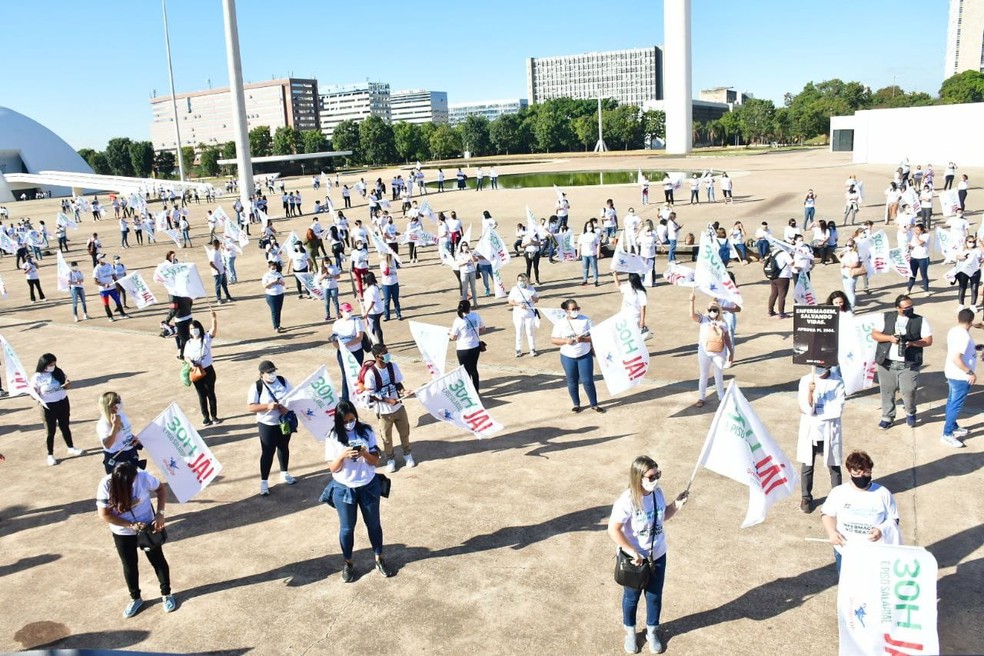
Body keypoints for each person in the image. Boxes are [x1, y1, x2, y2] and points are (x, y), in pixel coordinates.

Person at [607, 455, 688, 655]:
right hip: (634, 559)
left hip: (658, 555)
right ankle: (630, 632)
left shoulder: (657, 494)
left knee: (654, 596)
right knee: (631, 597)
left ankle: (652, 631)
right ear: (638, 477)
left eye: (658, 475)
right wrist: (632, 551)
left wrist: (676, 505)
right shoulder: (627, 500)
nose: (656, 480)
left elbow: (662, 517)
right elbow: (613, 529)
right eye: (651, 477)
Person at [320, 400, 395, 582]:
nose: (349, 423)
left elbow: (375, 461)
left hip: (368, 485)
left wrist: (363, 453)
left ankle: (379, 558)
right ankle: (348, 562)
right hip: (344, 489)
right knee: (347, 528)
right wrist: (343, 455)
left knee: (374, 525)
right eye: (345, 421)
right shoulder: (332, 437)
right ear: (338, 421)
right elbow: (333, 468)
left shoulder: (366, 431)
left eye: (351, 419)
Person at [97, 462, 175, 618]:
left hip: (147, 527)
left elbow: (161, 489)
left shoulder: (143, 477)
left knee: (157, 560)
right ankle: (136, 598)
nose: (131, 485)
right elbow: (104, 514)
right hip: (122, 532)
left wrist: (160, 513)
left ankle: (166, 594)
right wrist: (130, 525)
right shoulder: (106, 484)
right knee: (129, 565)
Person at [820, 450, 901, 573]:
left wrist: (881, 530)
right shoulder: (839, 493)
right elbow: (827, 514)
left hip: (874, 552)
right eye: (857, 473)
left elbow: (893, 518)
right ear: (849, 471)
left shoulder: (883, 493)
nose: (862, 476)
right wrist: (832, 532)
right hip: (845, 550)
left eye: (866, 472)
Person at [871, 295, 933, 429]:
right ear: (898, 308)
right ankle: (887, 416)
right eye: (906, 308)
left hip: (909, 363)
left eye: (911, 306)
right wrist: (889, 338)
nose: (910, 309)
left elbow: (928, 340)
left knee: (909, 390)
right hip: (887, 362)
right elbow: (875, 334)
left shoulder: (920, 320)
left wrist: (913, 343)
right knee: (887, 391)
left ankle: (910, 412)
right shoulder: (885, 317)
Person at [796, 366, 845, 513]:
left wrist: (817, 412)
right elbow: (804, 408)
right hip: (811, 429)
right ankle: (806, 497)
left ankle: (837, 498)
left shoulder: (838, 382)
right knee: (807, 464)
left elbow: (837, 409)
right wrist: (810, 393)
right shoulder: (806, 380)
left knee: (834, 465)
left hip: (829, 429)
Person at [246, 361, 296, 496]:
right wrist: (267, 406)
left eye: (273, 371)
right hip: (266, 424)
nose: (272, 374)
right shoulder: (256, 387)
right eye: (269, 372)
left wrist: (287, 408)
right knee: (268, 452)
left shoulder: (282, 381)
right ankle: (264, 482)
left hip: (283, 422)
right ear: (262, 374)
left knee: (284, 447)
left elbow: (293, 396)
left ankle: (284, 473)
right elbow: (251, 407)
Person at [362, 344, 414, 471]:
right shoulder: (371, 374)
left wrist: (403, 391)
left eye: (387, 352)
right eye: (384, 353)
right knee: (386, 437)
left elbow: (397, 384)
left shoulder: (393, 366)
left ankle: (407, 454)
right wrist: (387, 400)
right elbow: (371, 394)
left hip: (398, 408)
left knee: (404, 432)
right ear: (377, 356)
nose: (387, 355)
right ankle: (390, 458)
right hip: (384, 412)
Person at [550, 298, 604, 413]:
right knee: (572, 380)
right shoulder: (560, 323)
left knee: (587, 380)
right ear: (566, 311)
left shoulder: (585, 320)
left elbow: (596, 336)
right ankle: (576, 404)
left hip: (584, 355)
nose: (576, 311)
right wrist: (565, 341)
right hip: (567, 357)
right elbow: (553, 340)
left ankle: (594, 404)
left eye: (577, 308)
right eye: (573, 309)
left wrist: (583, 339)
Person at [32, 353, 82, 466]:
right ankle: (50, 454)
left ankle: (71, 447)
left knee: (65, 426)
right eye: (50, 364)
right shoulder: (37, 377)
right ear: (44, 365)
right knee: (51, 431)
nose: (53, 366)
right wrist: (33, 393)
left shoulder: (58, 372)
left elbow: (66, 384)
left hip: (62, 402)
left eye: (54, 363)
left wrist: (67, 385)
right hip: (48, 406)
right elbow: (33, 394)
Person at [689, 292, 734, 407]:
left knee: (719, 375)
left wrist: (731, 352)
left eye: (715, 310)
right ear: (707, 310)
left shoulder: (723, 323)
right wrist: (692, 301)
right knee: (704, 375)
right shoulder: (703, 319)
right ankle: (701, 397)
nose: (712, 312)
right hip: (704, 351)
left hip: (719, 352)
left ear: (719, 311)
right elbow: (692, 316)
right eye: (710, 310)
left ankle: (721, 397)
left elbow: (727, 339)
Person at [941, 308, 977, 448]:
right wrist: (970, 373)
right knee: (955, 405)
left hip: (952, 373)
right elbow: (956, 358)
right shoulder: (964, 336)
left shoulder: (955, 331)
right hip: (960, 376)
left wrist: (976, 348)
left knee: (952, 402)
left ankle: (953, 427)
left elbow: (962, 350)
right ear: (971, 321)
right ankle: (947, 434)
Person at [185, 309, 219, 427]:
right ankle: (206, 417)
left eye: (195, 328)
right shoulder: (188, 343)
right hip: (196, 371)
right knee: (201, 395)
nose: (193, 331)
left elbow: (213, 331)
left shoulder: (206, 339)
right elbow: (186, 356)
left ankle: (214, 416)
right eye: (191, 329)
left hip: (207, 370)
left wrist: (214, 319)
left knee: (210, 393)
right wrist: (190, 363)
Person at [97, 391, 142, 475]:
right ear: (109, 406)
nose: (120, 403)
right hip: (117, 458)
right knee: (121, 486)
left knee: (133, 481)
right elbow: (107, 444)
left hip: (130, 452)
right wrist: (115, 425)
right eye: (117, 401)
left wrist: (132, 438)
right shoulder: (103, 424)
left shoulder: (121, 414)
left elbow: (125, 432)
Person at [332, 303, 367, 401]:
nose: (349, 313)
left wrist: (346, 345)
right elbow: (334, 339)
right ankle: (346, 398)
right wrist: (340, 348)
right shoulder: (337, 323)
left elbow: (359, 337)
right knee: (345, 375)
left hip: (356, 351)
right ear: (341, 312)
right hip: (343, 353)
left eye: (350, 310)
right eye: (347, 311)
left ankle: (360, 395)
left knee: (357, 373)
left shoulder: (357, 321)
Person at [449, 300, 484, 393]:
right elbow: (483, 329)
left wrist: (449, 334)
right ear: (469, 307)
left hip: (463, 349)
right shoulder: (476, 315)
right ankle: (476, 391)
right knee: (474, 369)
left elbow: (453, 337)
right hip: (475, 346)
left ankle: (468, 391)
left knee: (465, 371)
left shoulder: (458, 320)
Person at [508, 273, 539, 357]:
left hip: (529, 312)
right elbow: (510, 301)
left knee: (530, 331)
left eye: (523, 280)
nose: (521, 282)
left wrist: (533, 298)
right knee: (519, 331)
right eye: (519, 280)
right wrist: (519, 304)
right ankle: (518, 349)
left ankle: (532, 348)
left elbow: (537, 300)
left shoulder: (531, 288)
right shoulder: (514, 289)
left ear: (527, 280)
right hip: (518, 313)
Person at [93, 253, 128, 322]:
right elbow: (95, 281)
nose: (104, 258)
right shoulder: (97, 269)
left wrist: (117, 281)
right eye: (102, 257)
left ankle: (122, 314)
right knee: (106, 303)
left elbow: (113, 275)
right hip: (104, 290)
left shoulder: (108, 265)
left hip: (112, 288)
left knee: (118, 300)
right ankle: (110, 317)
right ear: (99, 259)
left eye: (104, 257)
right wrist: (104, 285)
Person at [765, 247, 794, 318]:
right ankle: (781, 313)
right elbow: (792, 263)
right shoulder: (785, 254)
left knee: (773, 294)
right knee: (782, 295)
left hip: (773, 276)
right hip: (783, 276)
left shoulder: (773, 252)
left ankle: (770, 311)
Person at [261, 260, 286, 333]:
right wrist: (273, 282)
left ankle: (278, 324)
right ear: (269, 268)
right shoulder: (266, 275)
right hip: (271, 296)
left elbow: (284, 283)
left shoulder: (278, 274)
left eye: (275, 268)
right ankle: (275, 326)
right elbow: (265, 286)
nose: (274, 270)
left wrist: (280, 282)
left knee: (279, 310)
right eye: (272, 268)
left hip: (280, 294)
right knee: (274, 311)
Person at [207, 239, 234, 304]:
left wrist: (223, 267)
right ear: (217, 245)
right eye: (219, 244)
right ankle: (219, 299)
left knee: (224, 285)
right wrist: (217, 269)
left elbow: (219, 261)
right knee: (218, 286)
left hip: (222, 271)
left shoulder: (217, 251)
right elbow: (210, 263)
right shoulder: (213, 253)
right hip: (217, 273)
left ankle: (228, 297)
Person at [361, 271, 384, 344]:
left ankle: (380, 343)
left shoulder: (372, 289)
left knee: (375, 327)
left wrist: (366, 312)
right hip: (376, 310)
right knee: (373, 327)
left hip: (374, 311)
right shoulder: (374, 287)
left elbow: (372, 302)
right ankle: (372, 340)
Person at [380, 254, 403, 321]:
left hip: (394, 283)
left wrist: (391, 268)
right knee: (387, 301)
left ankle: (398, 314)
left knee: (396, 300)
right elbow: (386, 273)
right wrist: (387, 265)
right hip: (386, 284)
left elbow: (395, 271)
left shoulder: (393, 261)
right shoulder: (382, 263)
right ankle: (387, 316)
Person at [578, 221, 601, 286]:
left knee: (594, 268)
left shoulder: (595, 234)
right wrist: (578, 254)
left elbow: (598, 244)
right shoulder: (582, 234)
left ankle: (595, 280)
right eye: (588, 226)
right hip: (584, 254)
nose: (589, 227)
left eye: (590, 226)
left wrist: (598, 253)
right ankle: (585, 280)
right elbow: (579, 244)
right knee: (585, 268)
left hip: (592, 254)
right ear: (585, 227)